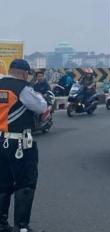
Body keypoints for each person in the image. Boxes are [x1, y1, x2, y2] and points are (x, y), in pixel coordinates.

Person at [0, 59, 47, 232]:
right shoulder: (23, 88)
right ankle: (22, 227)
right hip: (19, 143)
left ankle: (2, 224)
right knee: (25, 183)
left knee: (3, 184)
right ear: (23, 73)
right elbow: (41, 107)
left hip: (1, 141)